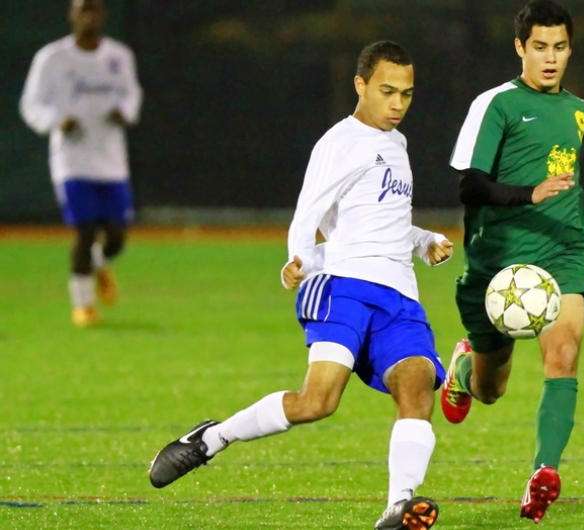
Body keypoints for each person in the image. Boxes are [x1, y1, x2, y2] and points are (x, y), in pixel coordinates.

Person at [148, 41, 451, 530]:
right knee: (317, 402)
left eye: (407, 94)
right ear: (361, 85)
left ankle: (399, 506)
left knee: (418, 387)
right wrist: (300, 259)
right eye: (387, 91)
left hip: (400, 295)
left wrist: (425, 241)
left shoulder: (398, 145)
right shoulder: (339, 142)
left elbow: (384, 223)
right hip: (345, 286)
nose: (398, 104)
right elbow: (309, 213)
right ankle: (213, 438)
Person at [440, 0, 584, 524]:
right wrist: (528, 194)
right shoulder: (496, 104)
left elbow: (568, 184)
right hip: (499, 258)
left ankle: (544, 473)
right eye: (540, 47)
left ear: (570, 49)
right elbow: (470, 185)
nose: (551, 58)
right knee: (491, 388)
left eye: (560, 48)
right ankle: (462, 366)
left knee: (563, 354)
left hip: (563, 250)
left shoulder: (579, 110)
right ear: (520, 48)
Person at [19, 0, 142, 327]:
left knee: (116, 235)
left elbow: (132, 95)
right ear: (71, 14)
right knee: (85, 231)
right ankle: (83, 305)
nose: (89, 15)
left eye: (96, 9)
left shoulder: (118, 56)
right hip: (71, 159)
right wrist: (55, 121)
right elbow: (32, 104)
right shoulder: (52, 58)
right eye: (83, 8)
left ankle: (99, 263)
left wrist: (125, 112)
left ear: (103, 15)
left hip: (111, 159)